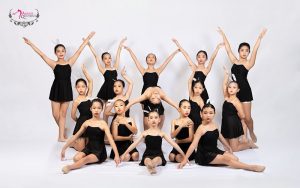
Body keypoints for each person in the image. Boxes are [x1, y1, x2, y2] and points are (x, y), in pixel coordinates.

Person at [23, 32, 95, 141]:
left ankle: (61, 137)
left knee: (63, 115)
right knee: (55, 115)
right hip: (56, 90)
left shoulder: (69, 63)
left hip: (66, 90)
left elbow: (79, 51)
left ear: (65, 52)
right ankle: (63, 129)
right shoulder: (53, 64)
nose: (61, 53)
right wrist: (31, 44)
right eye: (58, 51)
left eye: (62, 51)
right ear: (55, 53)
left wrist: (87, 39)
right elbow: (42, 55)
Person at [178, 103, 265, 172]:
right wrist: (185, 159)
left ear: (214, 114)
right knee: (228, 160)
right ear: (201, 114)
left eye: (211, 113)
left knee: (235, 158)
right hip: (205, 155)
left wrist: (228, 147)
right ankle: (250, 167)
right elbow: (193, 145)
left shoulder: (214, 124)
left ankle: (225, 161)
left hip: (214, 150)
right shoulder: (201, 128)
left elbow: (220, 136)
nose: (208, 115)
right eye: (205, 113)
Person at [217, 27, 267, 142]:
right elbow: (228, 50)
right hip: (234, 91)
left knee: (247, 117)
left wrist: (259, 38)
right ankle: (243, 135)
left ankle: (251, 131)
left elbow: (255, 51)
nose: (244, 52)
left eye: (246, 50)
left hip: (244, 91)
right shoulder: (234, 61)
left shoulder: (248, 63)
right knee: (239, 116)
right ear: (239, 51)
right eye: (242, 50)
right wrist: (223, 35)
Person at [122, 42, 180, 128]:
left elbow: (167, 61)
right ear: (146, 60)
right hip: (145, 93)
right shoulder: (143, 70)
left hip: (156, 92)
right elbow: (136, 60)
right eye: (149, 57)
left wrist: (175, 52)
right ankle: (146, 133)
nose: (151, 58)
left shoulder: (158, 70)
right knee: (146, 114)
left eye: (153, 57)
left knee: (160, 113)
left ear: (155, 60)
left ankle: (157, 132)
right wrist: (130, 50)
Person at [61, 99, 121, 174]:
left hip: (99, 151)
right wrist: (64, 148)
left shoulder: (103, 123)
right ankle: (82, 162)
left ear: (102, 109)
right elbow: (75, 136)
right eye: (94, 108)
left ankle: (69, 167)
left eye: (99, 108)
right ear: (91, 109)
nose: (96, 110)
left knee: (84, 159)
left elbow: (111, 140)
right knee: (76, 158)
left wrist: (117, 155)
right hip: (88, 148)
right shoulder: (87, 122)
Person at [121, 110, 186, 174]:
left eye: (156, 117)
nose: (153, 120)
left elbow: (174, 144)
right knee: (147, 161)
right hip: (147, 155)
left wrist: (184, 155)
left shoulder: (162, 133)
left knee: (156, 160)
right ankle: (150, 166)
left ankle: (153, 166)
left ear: (159, 120)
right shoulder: (145, 133)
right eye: (151, 118)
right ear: (148, 120)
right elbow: (134, 144)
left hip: (159, 155)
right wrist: (124, 154)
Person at [87, 37, 127, 122]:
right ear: (103, 60)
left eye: (109, 58)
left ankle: (111, 129)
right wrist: (89, 44)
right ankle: (104, 130)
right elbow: (96, 56)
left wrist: (120, 44)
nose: (108, 60)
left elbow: (118, 54)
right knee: (105, 112)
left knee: (113, 109)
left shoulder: (115, 67)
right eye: (105, 58)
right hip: (106, 90)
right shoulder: (103, 69)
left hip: (114, 90)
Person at [172, 38, 223, 103]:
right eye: (199, 56)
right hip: (193, 91)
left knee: (205, 110)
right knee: (193, 109)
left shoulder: (206, 69)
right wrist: (177, 44)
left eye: (203, 56)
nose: (201, 58)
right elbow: (186, 55)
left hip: (202, 92)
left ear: (206, 59)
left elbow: (212, 58)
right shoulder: (194, 67)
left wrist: (217, 48)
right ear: (196, 58)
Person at [221, 67, 257, 151]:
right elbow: (224, 85)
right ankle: (241, 142)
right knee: (226, 148)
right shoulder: (226, 97)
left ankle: (249, 144)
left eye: (234, 88)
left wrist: (236, 117)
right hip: (225, 124)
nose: (231, 89)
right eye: (230, 87)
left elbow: (242, 116)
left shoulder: (236, 102)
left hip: (233, 125)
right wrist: (226, 75)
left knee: (234, 149)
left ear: (238, 90)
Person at [70, 64, 93, 151]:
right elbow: (72, 115)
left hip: (91, 122)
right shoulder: (76, 101)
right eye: (78, 87)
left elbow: (91, 81)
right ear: (76, 88)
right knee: (81, 149)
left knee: (90, 145)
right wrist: (79, 121)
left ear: (86, 88)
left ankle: (76, 140)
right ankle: (72, 143)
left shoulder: (89, 96)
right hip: (81, 124)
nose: (81, 89)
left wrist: (85, 72)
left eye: (83, 86)